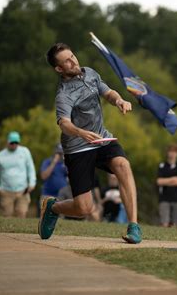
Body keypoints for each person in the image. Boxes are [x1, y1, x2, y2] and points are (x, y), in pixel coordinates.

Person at [39, 43, 141, 244]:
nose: (73, 61)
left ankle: (134, 226)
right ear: (59, 69)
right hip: (77, 147)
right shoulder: (63, 95)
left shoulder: (90, 73)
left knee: (123, 165)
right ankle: (53, 207)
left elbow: (108, 92)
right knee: (84, 209)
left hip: (101, 138)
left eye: (73, 55)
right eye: (67, 60)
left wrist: (119, 100)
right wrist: (80, 132)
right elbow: (64, 124)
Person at [0, 131, 36, 218]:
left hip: (23, 190)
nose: (14, 144)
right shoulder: (0, 156)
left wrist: (32, 183)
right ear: (8, 142)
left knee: (22, 213)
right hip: (6, 191)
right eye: (12, 142)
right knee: (7, 215)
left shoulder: (25, 152)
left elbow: (31, 168)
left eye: (16, 142)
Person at [156, 144, 177, 227]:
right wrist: (173, 179)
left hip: (176, 198)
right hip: (164, 198)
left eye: (174, 152)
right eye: (170, 151)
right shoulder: (162, 166)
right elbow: (159, 181)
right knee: (164, 222)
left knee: (176, 223)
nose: (172, 154)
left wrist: (166, 181)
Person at [40, 144, 67, 209]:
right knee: (45, 215)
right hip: (47, 195)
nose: (60, 155)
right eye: (58, 153)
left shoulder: (65, 163)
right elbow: (43, 176)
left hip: (61, 196)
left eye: (61, 153)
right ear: (54, 152)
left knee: (60, 217)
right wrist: (54, 162)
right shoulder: (47, 162)